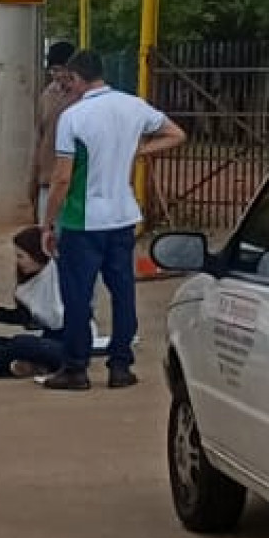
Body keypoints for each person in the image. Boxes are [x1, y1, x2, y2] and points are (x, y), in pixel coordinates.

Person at [39, 49, 185, 391]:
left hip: (82, 219)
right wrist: (138, 151)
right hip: (122, 217)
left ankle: (76, 369)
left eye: (68, 81)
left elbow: (61, 179)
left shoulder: (74, 117)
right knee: (123, 293)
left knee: (77, 296)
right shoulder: (133, 106)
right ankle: (121, 367)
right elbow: (176, 134)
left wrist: (47, 223)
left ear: (76, 78)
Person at [0, 224, 68, 378]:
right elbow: (23, 317)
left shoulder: (55, 272)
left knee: (21, 343)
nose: (18, 262)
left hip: (67, 344)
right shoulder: (27, 285)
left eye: (21, 256)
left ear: (37, 254)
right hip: (46, 339)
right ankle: (31, 366)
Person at [30, 36, 81, 228]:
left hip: (77, 183)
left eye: (60, 69)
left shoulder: (84, 97)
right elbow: (39, 138)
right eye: (53, 70)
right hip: (48, 180)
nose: (56, 75)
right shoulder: (47, 96)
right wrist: (33, 181)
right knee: (48, 237)